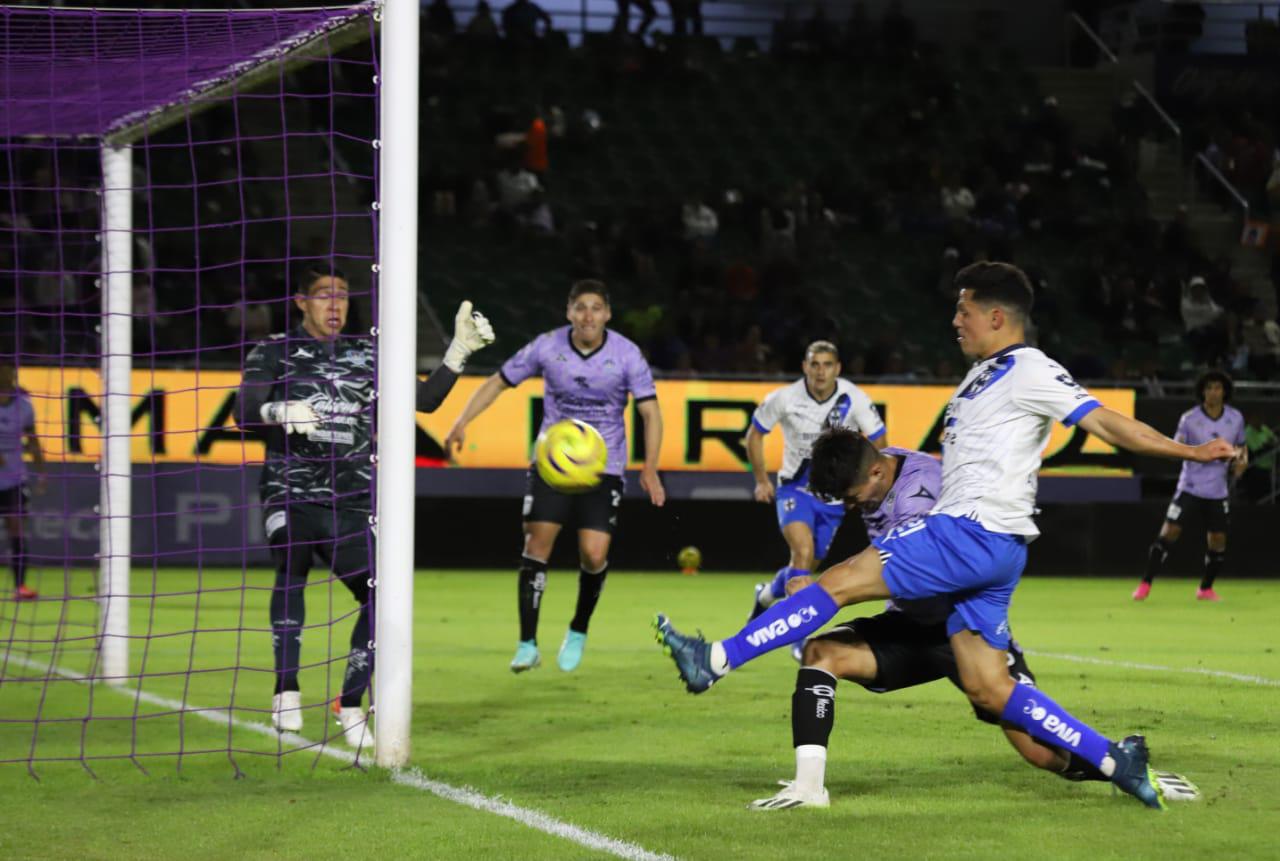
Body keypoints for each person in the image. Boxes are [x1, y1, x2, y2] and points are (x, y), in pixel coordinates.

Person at [655, 261, 1236, 810]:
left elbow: (1104, 421)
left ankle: (716, 659)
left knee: (837, 583)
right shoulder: (981, 377)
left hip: (970, 532)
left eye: (964, 310)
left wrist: (1187, 452)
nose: (955, 320)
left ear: (997, 317)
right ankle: (1117, 762)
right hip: (990, 551)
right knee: (989, 688)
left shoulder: (1029, 368)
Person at [750, 429, 1201, 809]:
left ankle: (1127, 767)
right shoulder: (885, 465)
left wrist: (825, 590)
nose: (852, 506)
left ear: (877, 473)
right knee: (821, 653)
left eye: (852, 497)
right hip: (910, 625)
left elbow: (908, 575)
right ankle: (808, 789)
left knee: (1041, 754)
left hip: (963, 626)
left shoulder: (920, 494)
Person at [236, 265, 493, 748]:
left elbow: (425, 401)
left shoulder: (368, 354)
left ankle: (350, 703)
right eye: (323, 295)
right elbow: (244, 411)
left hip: (351, 501)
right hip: (290, 490)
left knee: (383, 596)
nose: (335, 305)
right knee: (292, 559)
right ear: (300, 302)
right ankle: (286, 690)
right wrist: (277, 410)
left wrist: (457, 353)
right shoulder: (273, 351)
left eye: (342, 296)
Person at [445, 280, 665, 673]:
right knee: (536, 544)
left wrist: (650, 467)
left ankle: (578, 629)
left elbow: (651, 412)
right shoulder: (547, 346)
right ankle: (527, 644)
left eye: (595, 308)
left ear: (607, 314)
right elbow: (498, 381)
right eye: (580, 307)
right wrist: (461, 422)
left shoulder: (626, 354)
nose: (587, 316)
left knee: (594, 554)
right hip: (551, 465)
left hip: (603, 467)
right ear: (569, 312)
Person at [745, 341, 886, 621]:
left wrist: (866, 487)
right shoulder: (784, 398)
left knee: (805, 566)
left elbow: (879, 440)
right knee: (803, 551)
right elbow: (754, 435)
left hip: (833, 497)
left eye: (827, 365)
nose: (821, 371)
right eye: (815, 364)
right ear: (805, 367)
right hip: (794, 488)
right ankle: (796, 631)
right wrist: (761, 480)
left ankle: (765, 596)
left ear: (838, 368)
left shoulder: (854, 398)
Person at [1135, 370, 1246, 602]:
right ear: (1202, 391)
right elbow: (1176, 449)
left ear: (1224, 391)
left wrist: (1240, 462)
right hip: (1190, 487)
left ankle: (1205, 589)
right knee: (1169, 533)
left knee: (1218, 540)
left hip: (1218, 491)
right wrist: (1194, 453)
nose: (1213, 392)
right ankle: (1145, 583)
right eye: (1209, 388)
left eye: (1217, 388)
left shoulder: (1235, 418)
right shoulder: (1189, 419)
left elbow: (1241, 448)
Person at [0, 362, 45, 601]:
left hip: (13, 478)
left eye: (8, 371)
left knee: (16, 528)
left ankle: (20, 586)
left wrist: (41, 472)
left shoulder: (24, 406)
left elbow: (33, 440)